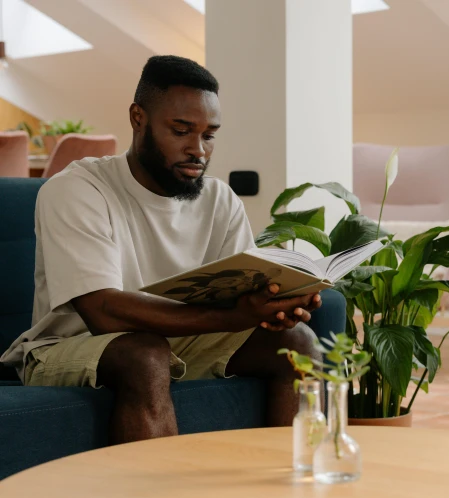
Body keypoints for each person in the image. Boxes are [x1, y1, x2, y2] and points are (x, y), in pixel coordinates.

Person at [0, 55, 322, 444]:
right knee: (145, 354)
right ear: (139, 118)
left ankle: (295, 489)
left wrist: (279, 302)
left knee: (298, 342)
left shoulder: (220, 199)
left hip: (176, 340)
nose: (198, 149)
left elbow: (243, 292)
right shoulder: (78, 189)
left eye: (209, 135)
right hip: (65, 346)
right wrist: (232, 317)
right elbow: (102, 311)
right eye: (182, 130)